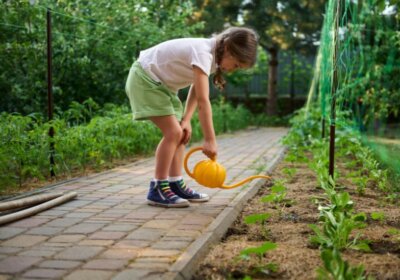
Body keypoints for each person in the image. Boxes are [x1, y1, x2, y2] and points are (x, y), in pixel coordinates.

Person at [125, 27, 258, 208]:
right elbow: (203, 101)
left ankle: (174, 184)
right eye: (236, 65)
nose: (233, 70)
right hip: (145, 79)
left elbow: (196, 90)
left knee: (181, 133)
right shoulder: (203, 52)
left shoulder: (211, 58)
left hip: (163, 87)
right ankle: (157, 188)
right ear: (227, 49)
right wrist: (210, 140)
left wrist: (186, 120)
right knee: (173, 133)